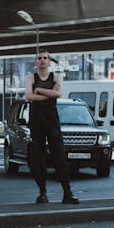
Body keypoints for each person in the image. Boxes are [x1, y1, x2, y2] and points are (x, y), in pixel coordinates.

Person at [25, 49, 79, 204]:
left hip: (51, 118)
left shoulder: (56, 76)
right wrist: (49, 93)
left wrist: (39, 90)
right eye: (39, 58)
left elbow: (58, 94)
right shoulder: (30, 78)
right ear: (36, 62)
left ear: (49, 61)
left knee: (60, 156)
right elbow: (29, 96)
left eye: (45, 58)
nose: (42, 60)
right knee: (37, 158)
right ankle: (42, 193)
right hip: (36, 119)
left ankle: (67, 193)